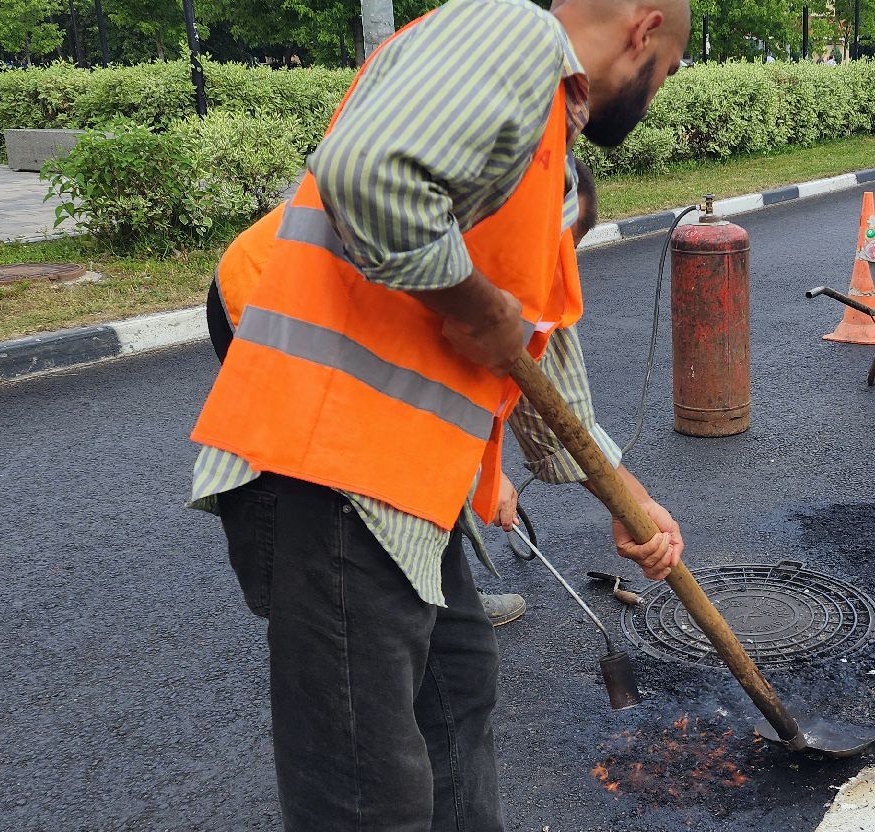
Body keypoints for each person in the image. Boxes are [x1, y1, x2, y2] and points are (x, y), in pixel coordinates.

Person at [186, 0, 690, 832]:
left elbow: (545, 374)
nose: (660, 92)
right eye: (670, 69)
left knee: (458, 684)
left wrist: (632, 506)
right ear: (643, 33)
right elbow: (369, 175)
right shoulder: (511, 35)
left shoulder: (543, 154)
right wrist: (475, 309)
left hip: (401, 493)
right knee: (363, 805)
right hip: (324, 470)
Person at [203, 155, 606, 629]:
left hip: (347, 308)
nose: (551, 270)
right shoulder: (456, 231)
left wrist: (627, 498)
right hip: (265, 294)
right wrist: (479, 482)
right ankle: (346, 616)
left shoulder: (503, 240)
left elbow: (537, 397)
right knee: (342, 479)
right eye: (551, 251)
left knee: (413, 475)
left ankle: (440, 601)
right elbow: (410, 402)